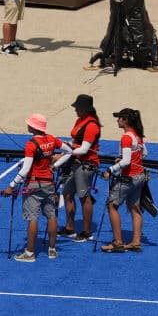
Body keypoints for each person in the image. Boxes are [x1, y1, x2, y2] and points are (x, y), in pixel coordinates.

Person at [5, 113, 72, 262]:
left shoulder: (31, 144)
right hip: (49, 183)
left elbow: (26, 168)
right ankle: (52, 249)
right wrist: (54, 165)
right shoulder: (51, 139)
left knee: (33, 218)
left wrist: (11, 185)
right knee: (51, 215)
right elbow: (69, 151)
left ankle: (29, 253)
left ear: (34, 127)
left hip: (33, 185)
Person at [100, 108, 148, 253]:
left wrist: (110, 169)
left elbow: (126, 161)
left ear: (125, 120)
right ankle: (135, 242)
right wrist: (124, 159)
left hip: (128, 178)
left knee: (111, 205)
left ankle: (118, 242)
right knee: (134, 207)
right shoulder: (138, 136)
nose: (117, 120)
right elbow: (144, 153)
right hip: (140, 176)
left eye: (119, 118)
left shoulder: (126, 137)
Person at [59, 94, 101, 243]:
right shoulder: (80, 121)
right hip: (76, 162)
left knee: (84, 197)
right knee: (67, 193)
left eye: (77, 107)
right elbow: (76, 142)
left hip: (86, 164)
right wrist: (67, 145)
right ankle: (70, 227)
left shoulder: (91, 126)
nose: (75, 110)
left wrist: (67, 151)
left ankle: (86, 232)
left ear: (85, 109)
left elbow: (84, 149)